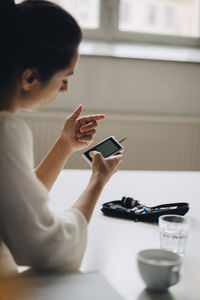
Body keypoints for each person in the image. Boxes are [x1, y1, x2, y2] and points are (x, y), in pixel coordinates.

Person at [0, 0, 123, 276]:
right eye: (64, 78)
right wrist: (98, 181)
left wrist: (65, 145)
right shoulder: (5, 131)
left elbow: (15, 205)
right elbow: (47, 247)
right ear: (30, 78)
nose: (65, 89)